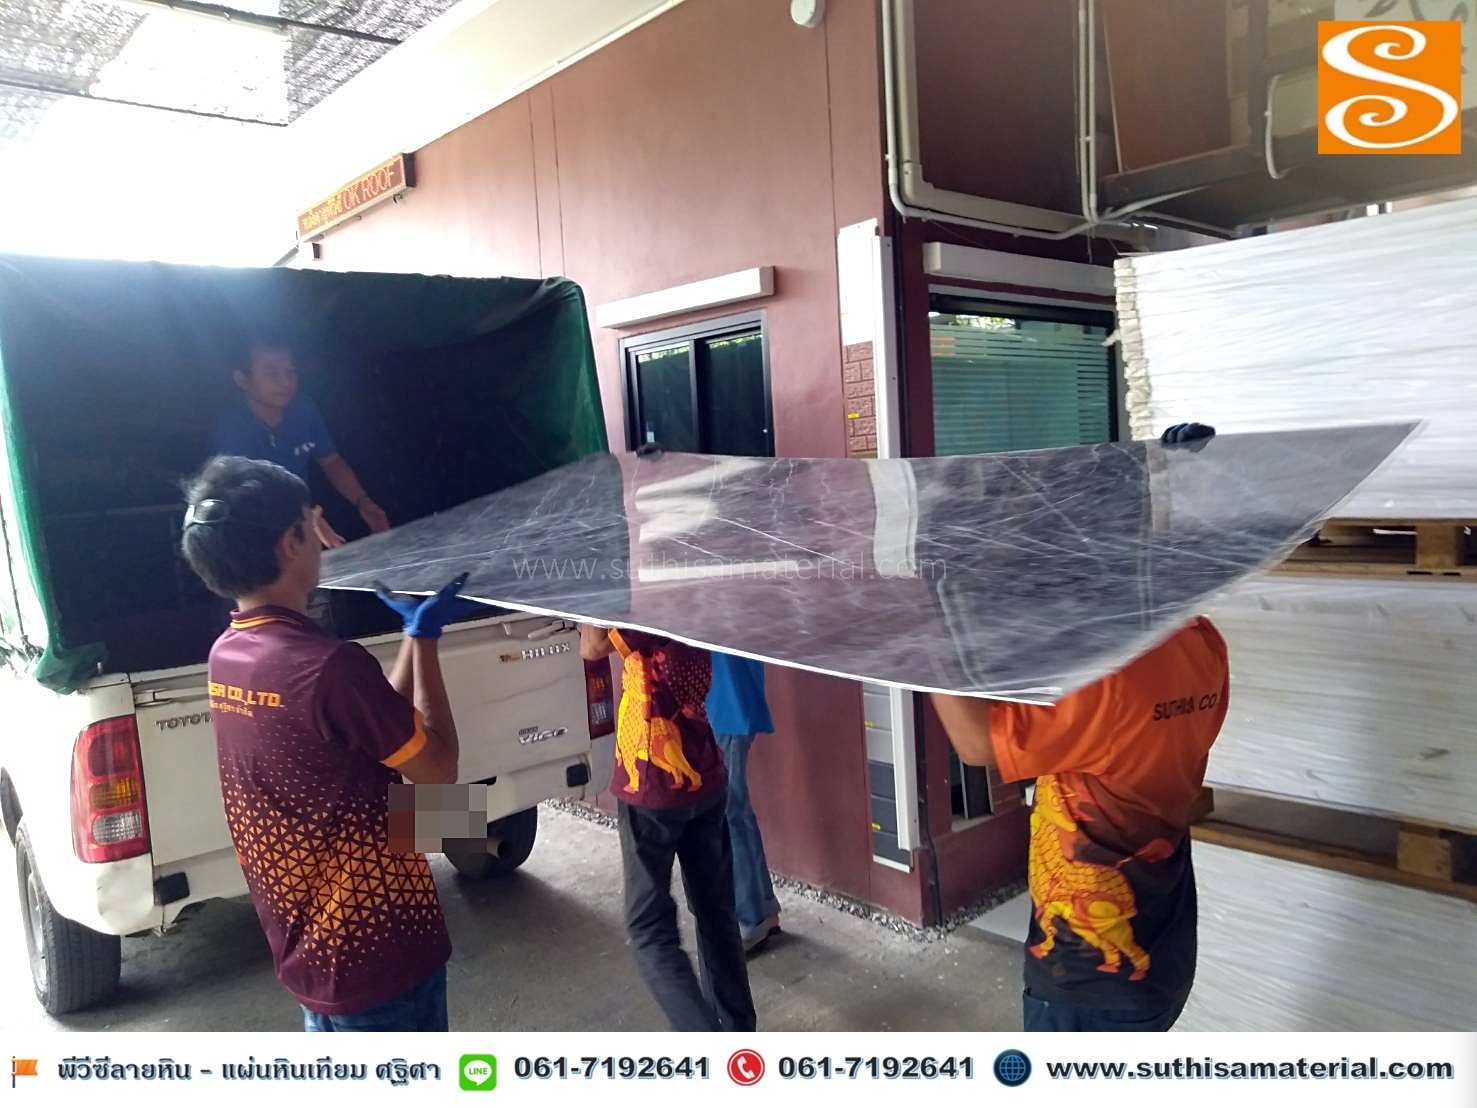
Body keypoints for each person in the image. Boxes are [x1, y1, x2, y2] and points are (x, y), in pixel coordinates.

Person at [927, 422, 1228, 1034]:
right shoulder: (1200, 642)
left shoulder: (1105, 684)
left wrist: (919, 633)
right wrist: (1176, 477)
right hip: (1165, 944)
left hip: (1089, 975)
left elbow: (976, 743)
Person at [180, 454, 478, 1032]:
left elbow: (372, 729)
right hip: (380, 957)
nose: (321, 540)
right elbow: (438, 771)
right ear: (290, 542)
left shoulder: (231, 653)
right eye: (310, 524)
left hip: (312, 953)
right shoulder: (325, 664)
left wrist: (412, 635)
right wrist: (430, 641)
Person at [579, 624, 756, 1032]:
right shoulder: (693, 596)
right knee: (716, 912)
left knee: (648, 930)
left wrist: (589, 599)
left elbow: (592, 646)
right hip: (702, 771)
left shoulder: (647, 606)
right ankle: (739, 1035)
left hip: (651, 781)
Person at [211, 337, 389, 548]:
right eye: (272, 373)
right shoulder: (231, 427)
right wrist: (306, 518)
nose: (286, 382)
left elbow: (331, 461)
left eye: (290, 372)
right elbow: (249, 494)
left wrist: (363, 502)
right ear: (242, 380)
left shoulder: (303, 409)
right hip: (252, 526)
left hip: (300, 515)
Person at [706, 652, 781, 953]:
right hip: (734, 707)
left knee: (729, 817)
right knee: (738, 811)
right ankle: (764, 909)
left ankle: (748, 921)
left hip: (724, 708)